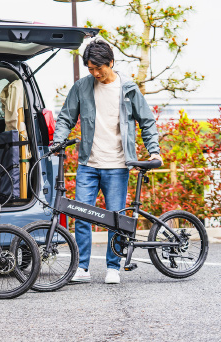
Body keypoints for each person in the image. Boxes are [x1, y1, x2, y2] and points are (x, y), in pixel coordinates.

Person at [53, 39, 163, 284]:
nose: (95, 73)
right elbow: (65, 118)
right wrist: (57, 141)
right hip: (88, 165)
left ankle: (113, 267)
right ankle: (82, 267)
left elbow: (147, 122)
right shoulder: (82, 87)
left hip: (117, 165)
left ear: (110, 62)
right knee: (80, 215)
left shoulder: (129, 89)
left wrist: (153, 151)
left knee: (115, 217)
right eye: (90, 69)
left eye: (98, 68)